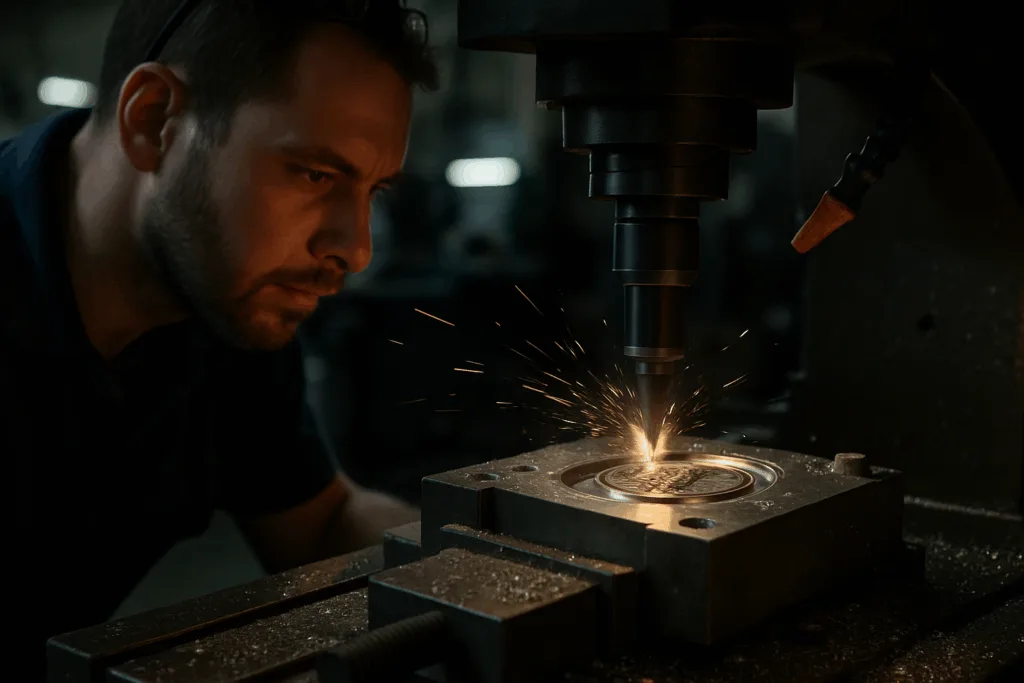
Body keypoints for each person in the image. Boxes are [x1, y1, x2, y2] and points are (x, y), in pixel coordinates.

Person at [1, 0, 439, 673]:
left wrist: (490, 553)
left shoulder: (224, 306)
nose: (356, 251)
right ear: (153, 120)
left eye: (372, 190)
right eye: (316, 173)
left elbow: (319, 522)